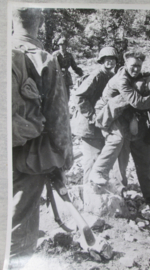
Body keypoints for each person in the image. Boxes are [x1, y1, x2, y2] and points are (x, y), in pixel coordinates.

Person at [10, 8, 73, 269]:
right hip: (25, 155)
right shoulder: (43, 59)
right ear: (42, 22)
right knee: (19, 229)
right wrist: (62, 160)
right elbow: (58, 117)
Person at [90, 51, 150, 205]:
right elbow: (137, 102)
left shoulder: (148, 79)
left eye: (138, 66)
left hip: (134, 121)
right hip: (114, 117)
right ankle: (118, 194)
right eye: (133, 66)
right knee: (121, 155)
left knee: (145, 159)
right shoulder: (124, 80)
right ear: (126, 64)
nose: (136, 69)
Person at [71, 47, 118, 184]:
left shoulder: (111, 76)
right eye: (106, 59)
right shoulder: (96, 76)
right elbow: (79, 97)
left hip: (100, 124)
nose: (110, 62)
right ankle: (88, 194)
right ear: (101, 60)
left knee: (100, 159)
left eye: (112, 59)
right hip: (89, 125)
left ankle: (97, 192)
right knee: (92, 160)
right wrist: (92, 116)